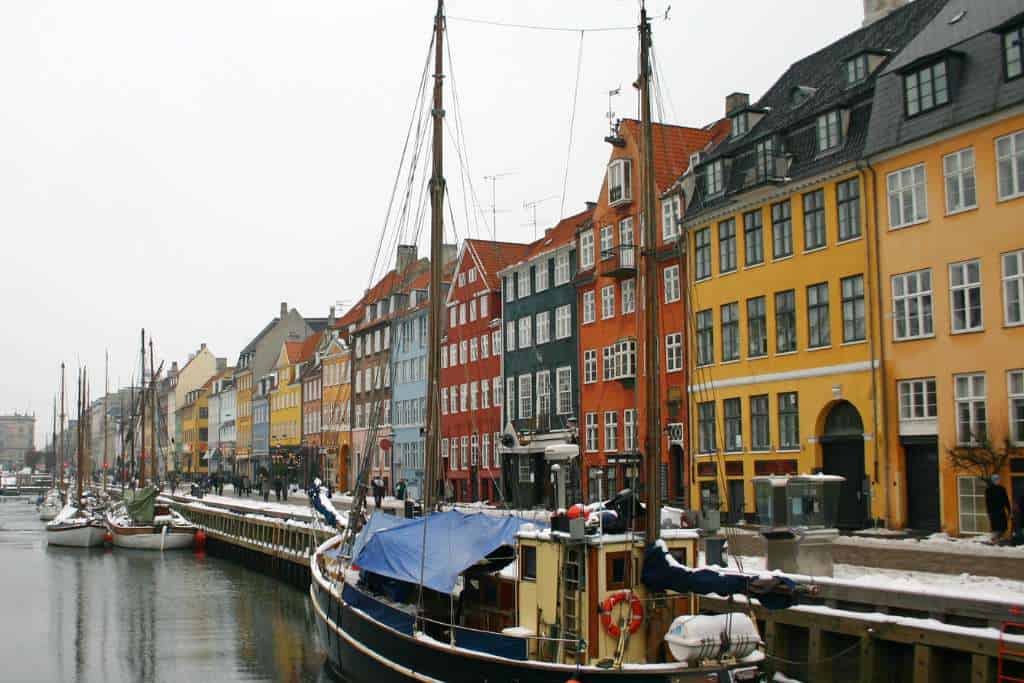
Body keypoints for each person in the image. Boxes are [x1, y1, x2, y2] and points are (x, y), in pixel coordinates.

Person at [985, 474, 1012, 543]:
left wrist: (1009, 510)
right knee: (995, 526)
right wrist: (988, 512)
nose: (997, 481)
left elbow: (1006, 499)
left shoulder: (1002, 489)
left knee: (1004, 526)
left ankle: (999, 538)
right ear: (992, 481)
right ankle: (995, 539)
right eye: (995, 480)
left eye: (998, 480)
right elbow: (987, 501)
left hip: (1001, 510)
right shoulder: (989, 490)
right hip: (993, 511)